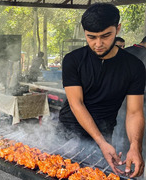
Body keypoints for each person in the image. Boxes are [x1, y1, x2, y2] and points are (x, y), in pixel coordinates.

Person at [59, 3, 145, 178]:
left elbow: (134, 112)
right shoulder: (73, 60)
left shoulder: (134, 66)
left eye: (106, 36)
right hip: (68, 132)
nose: (98, 44)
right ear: (85, 33)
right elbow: (77, 104)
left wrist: (135, 147)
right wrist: (101, 142)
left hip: (106, 132)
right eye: (91, 37)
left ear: (118, 29)